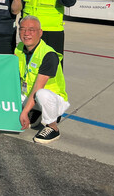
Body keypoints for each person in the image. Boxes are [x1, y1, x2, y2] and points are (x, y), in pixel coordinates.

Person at [16, 16, 69, 144]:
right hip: (31, 96)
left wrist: (24, 111)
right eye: (22, 29)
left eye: (31, 30)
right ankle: (35, 114)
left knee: (42, 94)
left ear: (40, 33)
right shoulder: (19, 48)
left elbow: (38, 87)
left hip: (52, 100)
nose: (26, 33)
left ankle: (53, 127)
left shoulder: (48, 55)